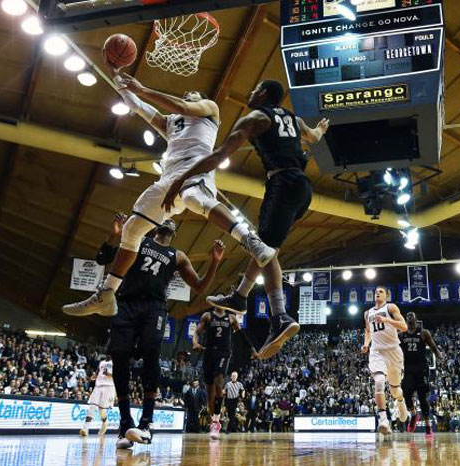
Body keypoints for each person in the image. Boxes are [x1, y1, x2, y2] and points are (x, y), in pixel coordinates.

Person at [61, 69, 277, 318]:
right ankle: (107, 294)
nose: (188, 94)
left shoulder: (209, 109)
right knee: (132, 230)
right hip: (168, 179)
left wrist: (143, 89)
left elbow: (183, 106)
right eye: (186, 93)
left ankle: (252, 242)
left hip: (196, 170)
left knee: (193, 198)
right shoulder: (172, 122)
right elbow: (139, 107)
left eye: (192, 92)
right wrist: (119, 79)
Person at [161, 80, 329, 359]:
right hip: (303, 189)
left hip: (282, 184)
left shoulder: (256, 118)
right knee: (265, 248)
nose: (250, 93)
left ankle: (280, 317)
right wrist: (321, 129)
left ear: (262, 93)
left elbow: (218, 155)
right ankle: (240, 296)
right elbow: (312, 137)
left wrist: (181, 178)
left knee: (265, 251)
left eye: (254, 90)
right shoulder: (293, 118)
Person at [69, 215, 224, 449]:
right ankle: (124, 426)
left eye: (174, 219)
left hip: (155, 308)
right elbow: (103, 257)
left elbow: (200, 286)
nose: (170, 219)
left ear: (176, 231)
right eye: (166, 217)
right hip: (127, 304)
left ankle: (146, 423)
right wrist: (116, 234)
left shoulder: (178, 255)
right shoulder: (139, 240)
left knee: (152, 354)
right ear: (156, 225)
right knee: (120, 357)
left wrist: (215, 261)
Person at [192, 307, 250, 439]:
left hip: (224, 353)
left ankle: (216, 422)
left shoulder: (231, 317)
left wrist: (251, 348)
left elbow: (241, 334)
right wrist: (195, 342)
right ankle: (214, 419)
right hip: (209, 352)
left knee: (219, 383)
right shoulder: (207, 315)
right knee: (210, 395)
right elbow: (196, 332)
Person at [361, 285, 409, 435]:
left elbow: (404, 326)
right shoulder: (367, 313)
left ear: (386, 295)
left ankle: (400, 402)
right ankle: (383, 419)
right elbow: (368, 331)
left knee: (395, 390)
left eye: (380, 292)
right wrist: (366, 344)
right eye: (375, 292)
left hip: (393, 351)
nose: (377, 293)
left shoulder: (391, 307)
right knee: (379, 381)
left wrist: (386, 320)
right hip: (377, 351)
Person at [399, 312, 442, 435]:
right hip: (407, 368)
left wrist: (439, 355)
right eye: (407, 316)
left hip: (421, 368)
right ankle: (413, 415)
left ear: (416, 319)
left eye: (412, 315)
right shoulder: (401, 334)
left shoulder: (424, 333)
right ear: (406, 320)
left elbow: (433, 346)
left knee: (423, 398)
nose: (409, 317)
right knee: (406, 393)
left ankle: (428, 426)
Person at [80, 355, 116, 437]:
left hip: (109, 387)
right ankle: (85, 429)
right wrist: (93, 377)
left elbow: (117, 376)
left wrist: (108, 374)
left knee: (101, 410)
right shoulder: (102, 362)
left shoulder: (116, 363)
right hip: (98, 386)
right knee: (92, 406)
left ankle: (104, 424)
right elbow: (97, 372)